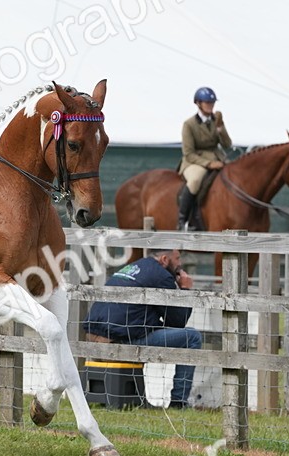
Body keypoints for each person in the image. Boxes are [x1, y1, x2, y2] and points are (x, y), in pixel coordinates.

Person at [82, 249, 203, 409]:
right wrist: (186, 290)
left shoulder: (134, 267)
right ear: (164, 259)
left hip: (93, 337)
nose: (180, 264)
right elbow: (178, 321)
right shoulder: (162, 276)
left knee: (150, 328)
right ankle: (178, 403)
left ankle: (141, 397)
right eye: (178, 258)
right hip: (118, 340)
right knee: (192, 337)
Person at [177, 86, 233, 231]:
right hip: (195, 161)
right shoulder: (189, 124)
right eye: (207, 103)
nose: (210, 106)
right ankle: (182, 221)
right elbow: (188, 153)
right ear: (198, 103)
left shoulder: (216, 120)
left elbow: (227, 144)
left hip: (217, 158)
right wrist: (209, 164)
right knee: (195, 181)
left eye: (212, 103)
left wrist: (220, 128)